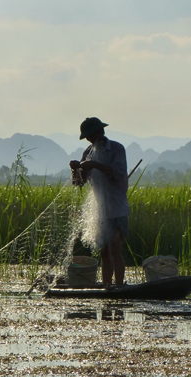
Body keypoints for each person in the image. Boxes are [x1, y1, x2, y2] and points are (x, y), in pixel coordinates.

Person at [69, 117, 130, 286]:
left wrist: (95, 165)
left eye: (91, 136)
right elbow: (78, 182)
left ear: (100, 133)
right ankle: (106, 287)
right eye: (88, 137)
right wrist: (75, 169)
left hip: (117, 209)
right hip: (100, 211)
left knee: (115, 247)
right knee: (104, 252)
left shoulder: (117, 149)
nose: (90, 140)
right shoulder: (88, 153)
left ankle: (118, 286)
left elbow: (118, 172)